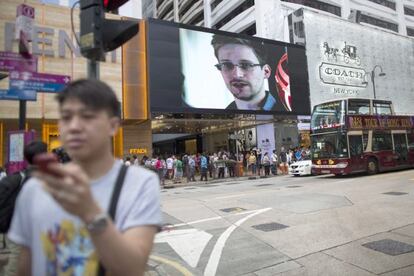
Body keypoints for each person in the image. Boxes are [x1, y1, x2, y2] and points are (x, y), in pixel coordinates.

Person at [7, 79, 161, 276]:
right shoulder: (35, 188)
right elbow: (25, 263)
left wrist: (90, 212)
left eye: (87, 116)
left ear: (113, 126)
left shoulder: (140, 183)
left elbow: (133, 268)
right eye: (66, 117)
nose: (74, 126)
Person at [1, 141, 47, 276]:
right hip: (33, 232)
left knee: (18, 264)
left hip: (16, 231)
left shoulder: (15, 178)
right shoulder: (46, 179)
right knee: (18, 265)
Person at [211, 35, 276, 111]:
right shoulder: (221, 118)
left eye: (246, 65)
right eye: (227, 65)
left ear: (266, 72)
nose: (237, 75)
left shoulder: (286, 109)